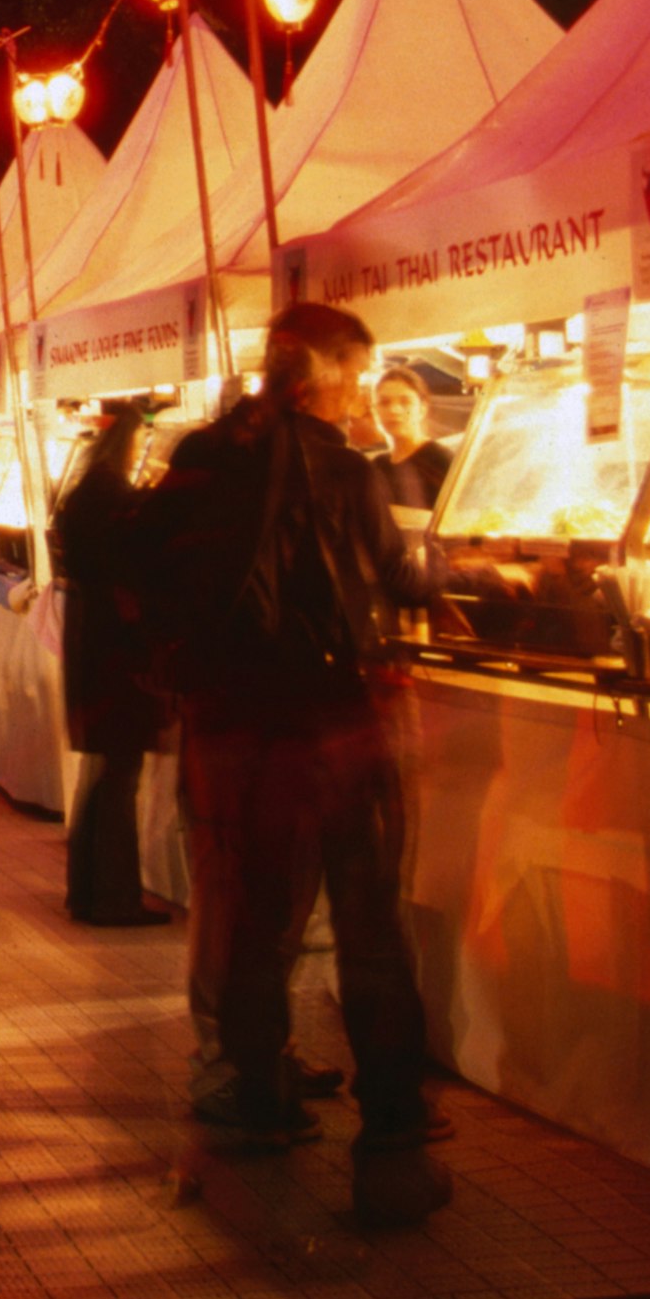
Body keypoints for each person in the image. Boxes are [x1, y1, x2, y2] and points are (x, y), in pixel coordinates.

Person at [151, 299, 451, 1228]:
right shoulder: (343, 470)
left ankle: (259, 1100)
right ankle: (393, 1141)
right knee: (368, 928)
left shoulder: (202, 457)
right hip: (334, 726)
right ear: (321, 375)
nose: (364, 394)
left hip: (235, 729)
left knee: (257, 924)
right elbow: (397, 580)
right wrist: (453, 567)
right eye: (358, 377)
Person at [52, 402, 169, 926]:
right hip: (113, 649)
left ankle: (86, 890)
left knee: (100, 770)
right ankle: (116, 897)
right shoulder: (116, 498)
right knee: (119, 772)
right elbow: (135, 571)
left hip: (88, 639)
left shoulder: (86, 491)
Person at [369, 368, 454, 519]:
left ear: (422, 409)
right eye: (384, 402)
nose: (394, 410)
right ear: (375, 410)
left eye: (405, 401)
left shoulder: (442, 461)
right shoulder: (377, 467)